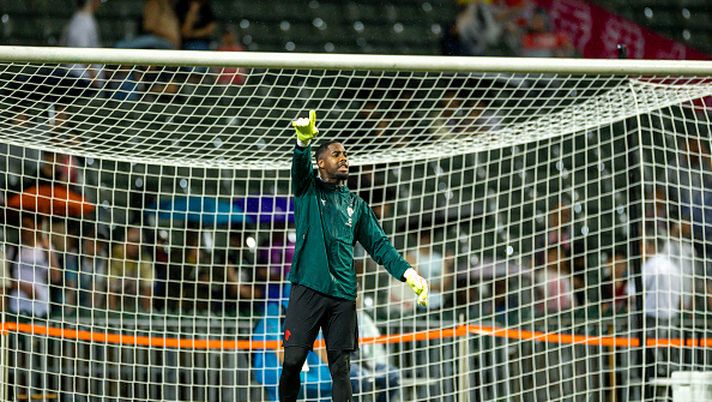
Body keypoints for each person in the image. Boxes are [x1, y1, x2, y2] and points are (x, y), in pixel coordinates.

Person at [278, 110, 429, 401]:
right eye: (336, 154)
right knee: (293, 361)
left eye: (345, 153)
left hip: (344, 295)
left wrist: (408, 273)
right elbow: (299, 169)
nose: (344, 157)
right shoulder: (307, 190)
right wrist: (302, 143)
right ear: (320, 163)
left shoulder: (356, 205)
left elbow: (380, 245)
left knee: (341, 368)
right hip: (307, 288)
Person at [61, 0, 105, 89]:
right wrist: (94, 78)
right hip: (82, 78)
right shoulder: (83, 21)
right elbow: (83, 52)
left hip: (84, 78)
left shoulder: (83, 18)